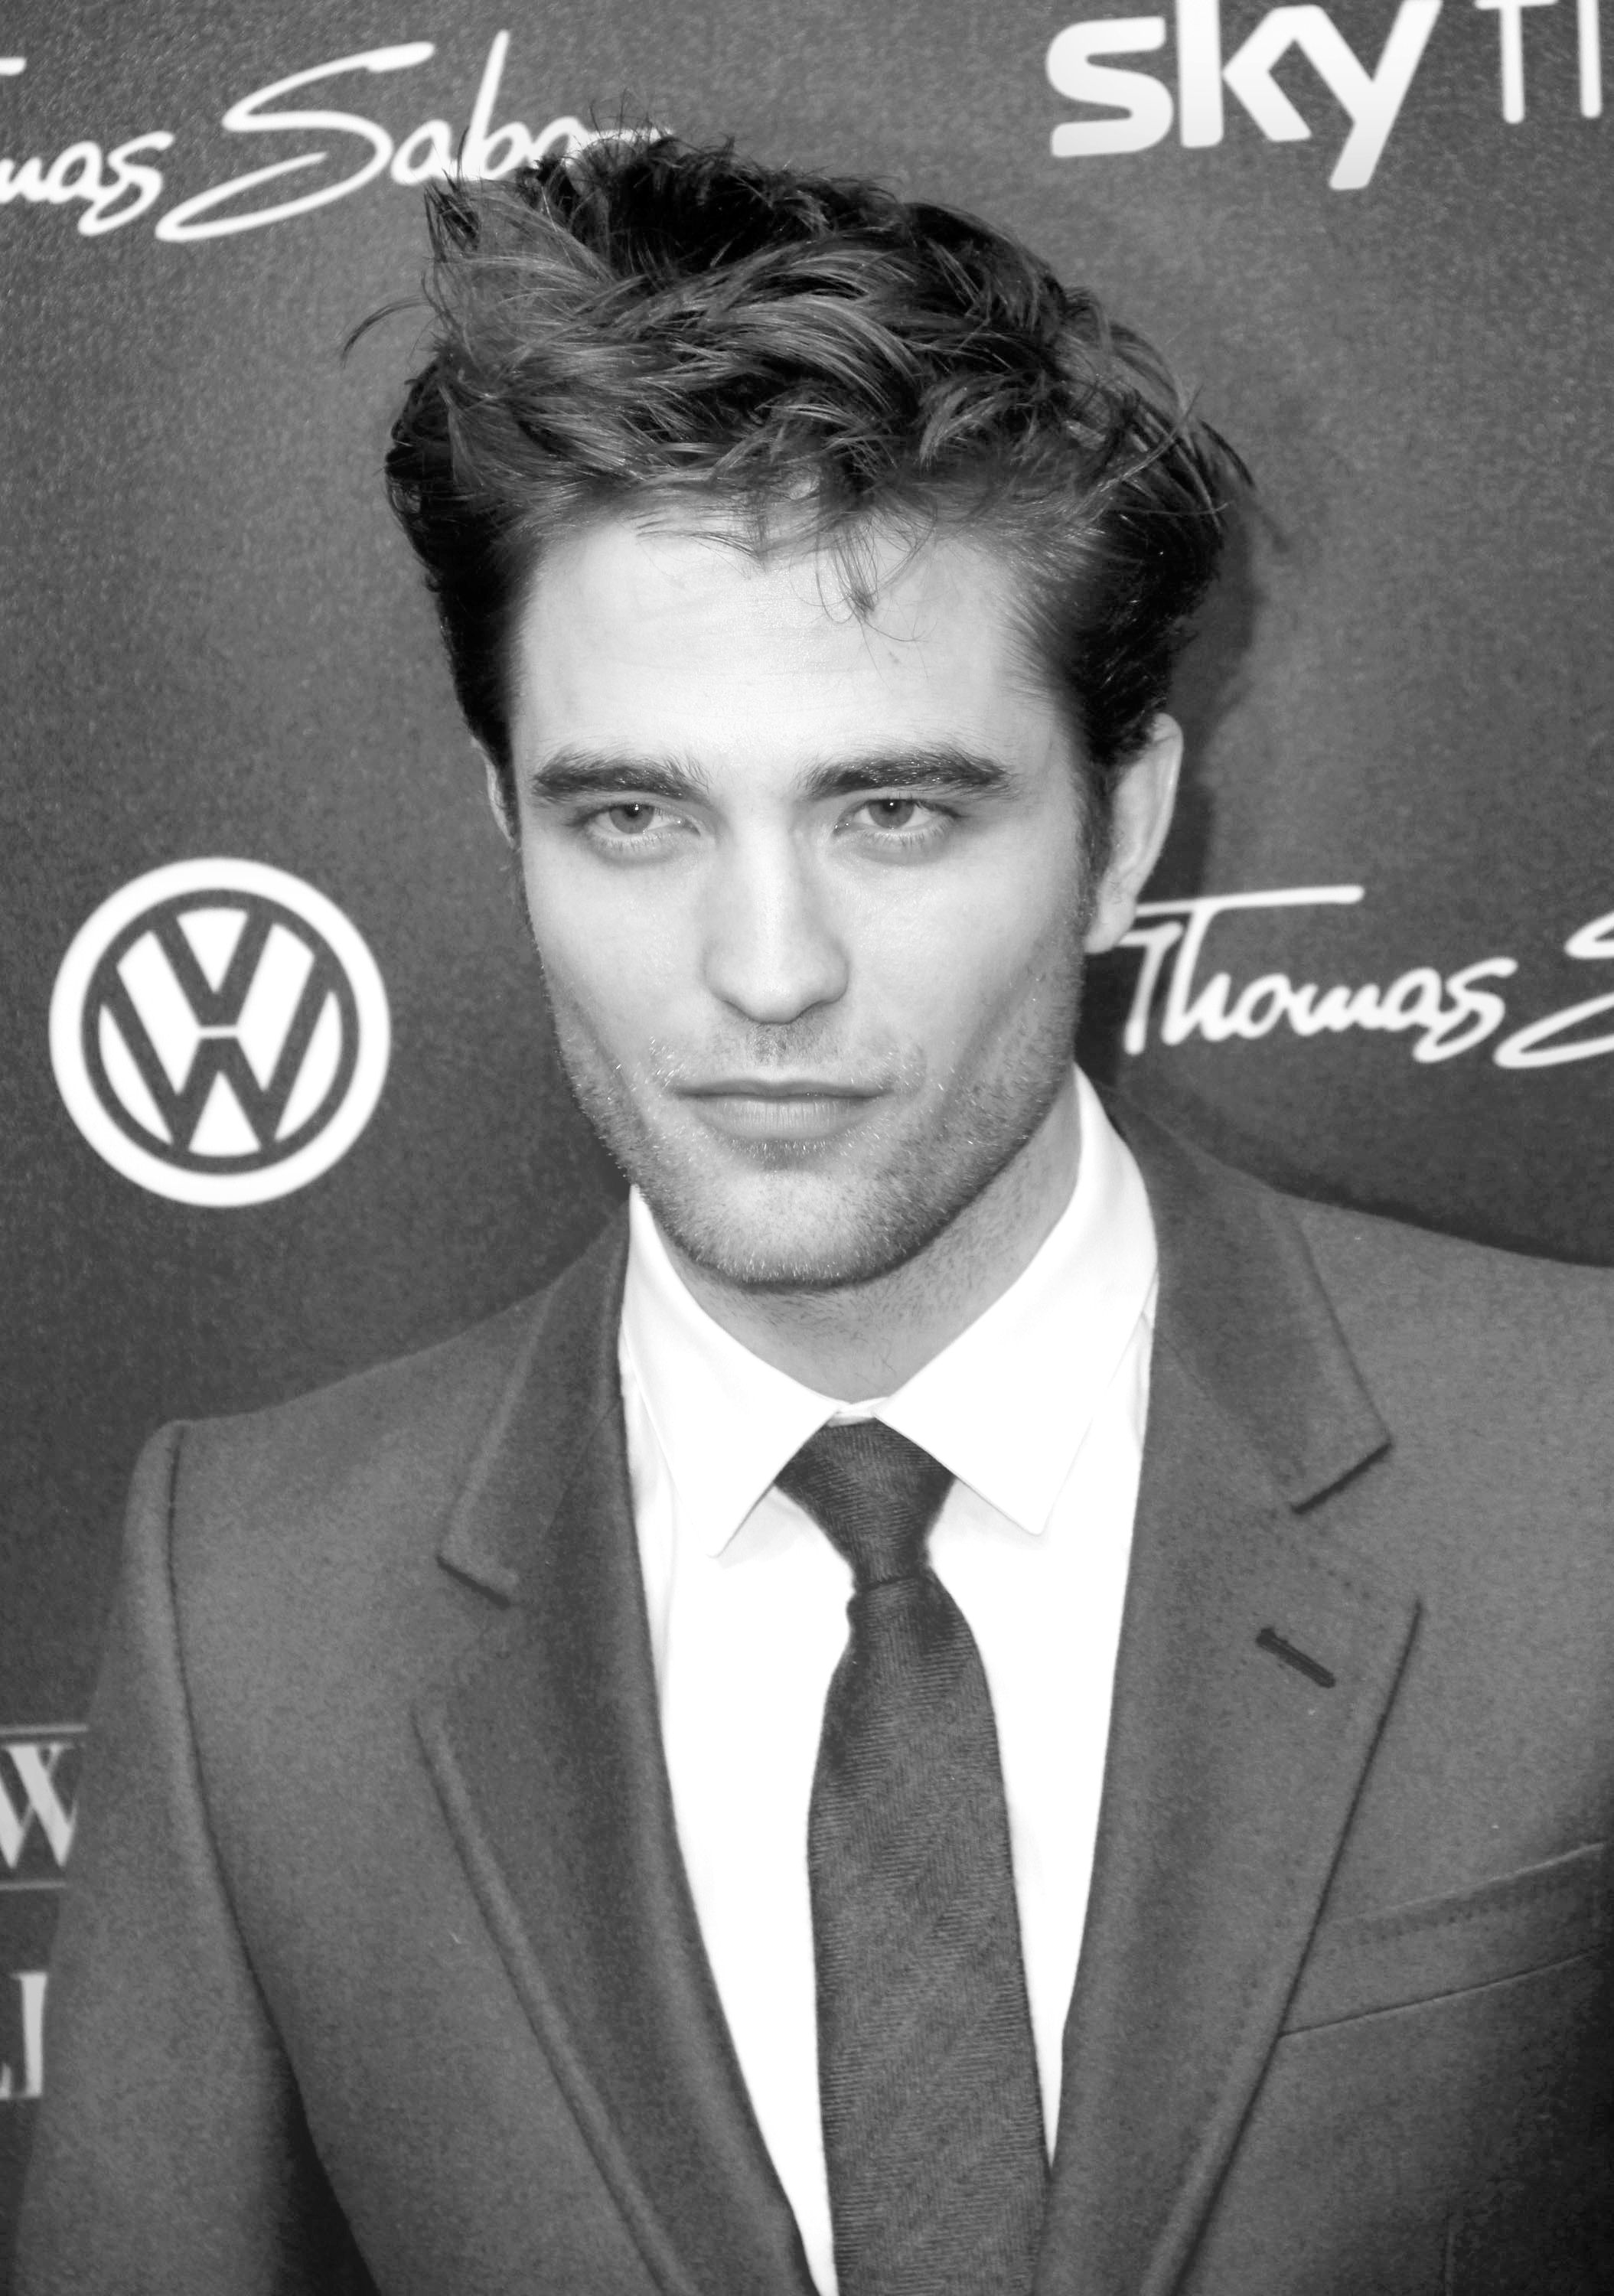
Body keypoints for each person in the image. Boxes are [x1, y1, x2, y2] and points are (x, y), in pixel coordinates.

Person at [17, 136, 1614, 2296]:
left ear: (1125, 827)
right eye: (633, 816)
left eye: (895, 812)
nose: (764, 971)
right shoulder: (256, 1614)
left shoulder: (1582, 1490)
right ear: (505, 822)